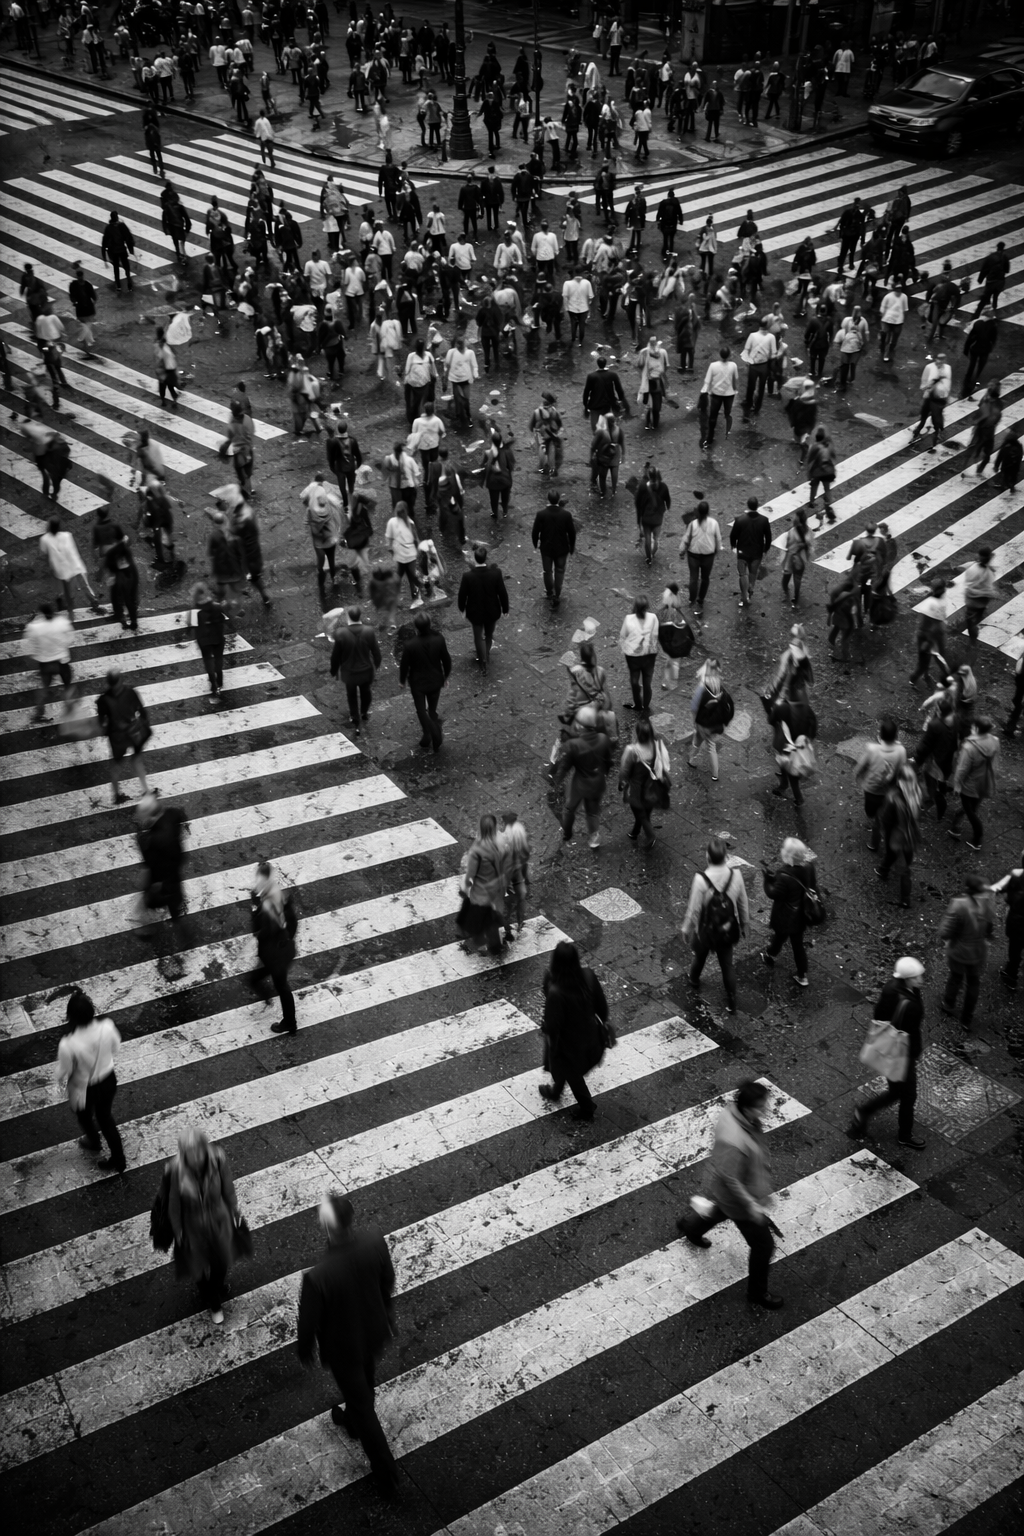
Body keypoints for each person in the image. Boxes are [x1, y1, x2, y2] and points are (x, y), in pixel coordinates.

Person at [297, 1192, 398, 1497]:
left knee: (362, 1405)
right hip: (373, 1331)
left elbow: (309, 1323)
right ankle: (353, 1420)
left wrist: (305, 1350)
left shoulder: (318, 1278)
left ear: (326, 1226)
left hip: (344, 1348)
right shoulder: (375, 1243)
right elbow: (387, 1282)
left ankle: (387, 1474)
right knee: (365, 1379)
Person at [677, 1078, 782, 1306]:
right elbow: (731, 1178)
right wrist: (751, 1204)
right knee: (763, 1246)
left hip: (729, 1195)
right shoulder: (735, 1140)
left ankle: (691, 1228)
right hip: (740, 1200)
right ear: (746, 1108)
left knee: (720, 1210)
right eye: (761, 1106)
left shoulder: (736, 1113)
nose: (766, 1109)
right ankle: (756, 1294)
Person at [847, 958, 926, 1150]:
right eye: (916, 977)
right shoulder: (908, 1002)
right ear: (907, 978)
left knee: (897, 1091)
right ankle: (904, 1135)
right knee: (907, 1094)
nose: (921, 980)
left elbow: (879, 1015)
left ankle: (864, 1112)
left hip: (894, 1049)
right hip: (902, 1052)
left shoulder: (894, 988)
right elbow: (911, 1027)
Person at [166, 1127, 240, 1322]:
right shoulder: (176, 1170)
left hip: (218, 1221)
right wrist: (178, 1231)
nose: (195, 1158)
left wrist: (234, 1211)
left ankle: (215, 1287)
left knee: (220, 1262)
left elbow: (228, 1188)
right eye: (189, 1153)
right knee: (197, 1267)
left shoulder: (217, 1160)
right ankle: (214, 1302)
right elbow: (173, 1204)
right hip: (192, 1227)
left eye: (197, 1151)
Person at [57, 989, 126, 1174]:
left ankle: (93, 1142)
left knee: (84, 1116)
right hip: (108, 1080)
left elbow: (64, 1071)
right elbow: (116, 1048)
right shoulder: (107, 1026)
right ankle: (119, 1160)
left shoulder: (68, 1044)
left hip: (84, 1088)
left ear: (70, 1017)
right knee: (105, 1118)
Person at [539, 940, 609, 1121]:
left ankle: (587, 1108)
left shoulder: (555, 989)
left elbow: (553, 1026)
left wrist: (550, 1040)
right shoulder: (588, 976)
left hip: (568, 1045)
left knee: (570, 1072)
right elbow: (603, 1009)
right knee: (568, 1069)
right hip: (591, 1038)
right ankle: (556, 1091)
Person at [939, 874, 996, 1030]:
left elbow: (945, 931)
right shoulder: (986, 903)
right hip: (978, 952)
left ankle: (949, 1003)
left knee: (956, 977)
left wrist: (948, 939)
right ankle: (966, 1019)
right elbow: (990, 927)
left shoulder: (958, 905)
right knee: (973, 983)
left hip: (958, 951)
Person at [554, 704, 613, 849]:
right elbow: (608, 761)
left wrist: (557, 781)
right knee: (592, 812)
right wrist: (605, 772)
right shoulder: (603, 739)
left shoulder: (573, 745)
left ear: (580, 726)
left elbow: (564, 767)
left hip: (579, 785)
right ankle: (594, 838)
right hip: (597, 782)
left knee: (569, 809)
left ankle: (567, 833)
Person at [251, 858, 298, 1033]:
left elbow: (260, 931)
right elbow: (293, 922)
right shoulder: (279, 895)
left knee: (281, 986)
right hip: (281, 951)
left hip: (275, 956)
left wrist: (254, 910)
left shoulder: (267, 904)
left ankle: (290, 1022)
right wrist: (287, 939)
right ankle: (286, 1018)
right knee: (273, 982)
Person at [134, 789, 188, 938]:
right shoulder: (171, 814)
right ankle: (181, 929)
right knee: (173, 902)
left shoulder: (150, 839)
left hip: (162, 877)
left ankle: (149, 927)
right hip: (172, 874)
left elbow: (150, 863)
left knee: (155, 899)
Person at [399, 610, 451, 753]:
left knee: (421, 710)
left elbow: (405, 665)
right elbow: (446, 660)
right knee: (432, 709)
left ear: (416, 627)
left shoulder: (410, 645)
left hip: (418, 683)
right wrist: (445, 677)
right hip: (435, 680)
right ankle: (429, 734)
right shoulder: (439, 639)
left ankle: (432, 732)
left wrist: (402, 680)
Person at [457, 813, 510, 955]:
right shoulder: (501, 843)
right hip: (498, 886)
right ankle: (500, 939)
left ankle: (489, 943)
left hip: (482, 890)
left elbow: (471, 874)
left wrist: (466, 886)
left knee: (484, 918)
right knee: (495, 913)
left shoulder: (478, 850)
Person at [97, 667, 151, 804]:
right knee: (137, 760)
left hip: (117, 738)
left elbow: (102, 721)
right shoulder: (130, 692)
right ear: (120, 680)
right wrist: (144, 724)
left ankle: (116, 795)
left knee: (116, 766)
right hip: (134, 733)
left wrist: (105, 730)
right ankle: (146, 791)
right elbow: (142, 711)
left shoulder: (103, 700)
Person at [855, 718, 906, 853]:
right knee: (879, 818)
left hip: (871, 790)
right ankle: (876, 840)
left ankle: (874, 841)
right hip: (888, 791)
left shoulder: (871, 750)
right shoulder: (901, 751)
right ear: (896, 736)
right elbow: (901, 771)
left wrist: (858, 778)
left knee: (872, 814)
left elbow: (860, 768)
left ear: (879, 735)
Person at [618, 717, 669, 851]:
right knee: (646, 812)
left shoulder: (632, 750)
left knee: (639, 813)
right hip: (652, 787)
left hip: (636, 790)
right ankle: (635, 832)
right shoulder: (656, 746)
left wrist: (622, 782)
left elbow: (624, 770)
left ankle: (650, 835)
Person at [330, 606, 382, 735]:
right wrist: (376, 666)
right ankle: (364, 712)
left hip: (349, 672)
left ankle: (355, 718)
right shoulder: (369, 631)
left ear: (348, 617)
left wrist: (334, 670)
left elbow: (335, 655)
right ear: (360, 616)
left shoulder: (341, 633)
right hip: (366, 671)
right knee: (366, 692)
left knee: (351, 696)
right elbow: (376, 653)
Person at [948, 717, 999, 849]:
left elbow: (962, 769)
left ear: (976, 729)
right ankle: (955, 824)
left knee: (969, 810)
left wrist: (957, 785)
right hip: (985, 782)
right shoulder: (995, 741)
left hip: (970, 785)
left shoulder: (969, 747)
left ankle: (977, 838)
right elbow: (994, 762)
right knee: (973, 806)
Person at [458, 545, 509, 675]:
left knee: (477, 637)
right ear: (486, 558)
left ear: (475, 558)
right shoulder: (496, 573)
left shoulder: (467, 576)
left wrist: (462, 609)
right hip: (492, 611)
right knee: (489, 635)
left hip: (475, 612)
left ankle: (483, 661)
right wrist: (505, 609)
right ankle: (486, 654)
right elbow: (502, 592)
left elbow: (462, 595)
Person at [875, 764, 922, 909]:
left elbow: (886, 821)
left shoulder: (893, 798)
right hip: (911, 834)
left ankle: (905, 899)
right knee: (896, 856)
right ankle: (883, 869)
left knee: (903, 868)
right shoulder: (917, 792)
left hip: (897, 836)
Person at [23, 600, 74, 723]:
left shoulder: (34, 627)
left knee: (44, 686)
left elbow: (27, 646)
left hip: (45, 663)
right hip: (61, 661)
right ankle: (70, 709)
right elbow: (70, 639)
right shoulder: (62, 622)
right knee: (68, 685)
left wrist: (37, 654)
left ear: (41, 613)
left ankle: (39, 711)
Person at [767, 688, 817, 806]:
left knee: (786, 765)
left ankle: (797, 797)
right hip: (800, 746)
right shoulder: (807, 709)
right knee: (792, 769)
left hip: (784, 744)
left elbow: (771, 720)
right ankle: (784, 785)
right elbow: (813, 729)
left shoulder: (781, 707)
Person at [303, 472, 344, 607]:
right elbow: (339, 506)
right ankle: (329, 580)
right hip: (326, 538)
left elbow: (306, 522)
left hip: (322, 540)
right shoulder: (324, 505)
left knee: (325, 562)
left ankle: (326, 582)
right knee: (327, 561)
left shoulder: (312, 508)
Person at [531, 489, 576, 607]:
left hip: (546, 548)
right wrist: (572, 546)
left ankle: (549, 592)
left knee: (547, 571)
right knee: (560, 570)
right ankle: (557, 594)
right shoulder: (566, 515)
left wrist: (535, 543)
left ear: (548, 499)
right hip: (562, 549)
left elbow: (535, 531)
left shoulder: (541, 514)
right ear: (558, 499)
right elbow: (572, 533)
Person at [689, 656, 731, 781]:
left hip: (703, 723)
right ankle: (693, 761)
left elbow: (694, 708)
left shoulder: (702, 686)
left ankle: (712, 773)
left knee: (705, 744)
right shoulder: (719, 683)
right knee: (700, 741)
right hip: (715, 722)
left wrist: (694, 723)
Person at [679, 500, 722, 616]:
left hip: (693, 555)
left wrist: (682, 551)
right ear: (708, 511)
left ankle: (692, 599)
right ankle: (701, 599)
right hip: (708, 556)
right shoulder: (714, 523)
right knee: (705, 578)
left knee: (693, 578)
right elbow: (718, 539)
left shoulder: (693, 524)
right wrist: (717, 551)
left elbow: (686, 538)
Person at [618, 595, 659, 714]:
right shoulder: (653, 618)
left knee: (634, 682)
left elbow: (623, 636)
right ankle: (645, 706)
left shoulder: (628, 619)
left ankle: (638, 705)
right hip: (649, 657)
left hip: (633, 658)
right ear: (647, 607)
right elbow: (655, 637)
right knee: (647, 683)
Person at [730, 496, 772, 610]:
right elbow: (768, 537)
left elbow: (733, 535)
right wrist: (765, 548)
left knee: (742, 574)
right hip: (756, 553)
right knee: (753, 573)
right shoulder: (764, 520)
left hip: (742, 552)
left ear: (748, 506)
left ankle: (744, 596)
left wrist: (733, 544)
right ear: (757, 506)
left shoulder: (740, 520)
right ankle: (750, 590)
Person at [991, 851, 1024, 991]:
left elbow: (999, 889)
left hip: (1018, 922)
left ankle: (1011, 975)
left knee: (1015, 949)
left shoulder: (1016, 875)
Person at [699, 346, 738, 450]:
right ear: (729, 355)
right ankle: (727, 433)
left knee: (713, 416)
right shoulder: (733, 365)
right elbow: (735, 380)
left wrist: (704, 390)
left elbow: (707, 381)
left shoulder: (713, 366)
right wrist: (735, 390)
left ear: (719, 355)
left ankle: (709, 438)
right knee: (727, 413)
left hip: (716, 394)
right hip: (729, 395)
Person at [962, 549, 996, 643]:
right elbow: (988, 589)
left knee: (970, 620)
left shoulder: (972, 566)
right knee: (977, 616)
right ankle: (975, 629)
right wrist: (991, 594)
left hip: (971, 599)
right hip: (982, 600)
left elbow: (962, 568)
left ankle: (973, 638)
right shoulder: (989, 573)